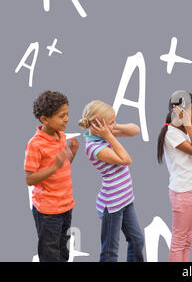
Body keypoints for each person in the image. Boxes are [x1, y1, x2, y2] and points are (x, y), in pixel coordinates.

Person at [79, 100, 144, 262]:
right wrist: (109, 134)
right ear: (97, 125)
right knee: (110, 251)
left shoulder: (103, 134)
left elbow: (135, 130)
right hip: (112, 205)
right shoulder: (94, 147)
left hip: (125, 199)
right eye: (111, 122)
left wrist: (112, 127)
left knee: (137, 240)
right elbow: (126, 159)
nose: (114, 125)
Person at [24, 90, 78, 262]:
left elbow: (63, 165)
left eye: (67, 114)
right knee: (50, 253)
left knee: (63, 249)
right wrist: (55, 165)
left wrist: (72, 153)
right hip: (48, 210)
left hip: (66, 205)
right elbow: (30, 178)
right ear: (45, 119)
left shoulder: (60, 136)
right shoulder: (35, 144)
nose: (67, 119)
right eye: (62, 116)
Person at [157, 91, 192, 262]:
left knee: (187, 240)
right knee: (179, 242)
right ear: (178, 110)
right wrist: (190, 125)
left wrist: (191, 125)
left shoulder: (185, 131)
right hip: (183, 193)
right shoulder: (172, 133)